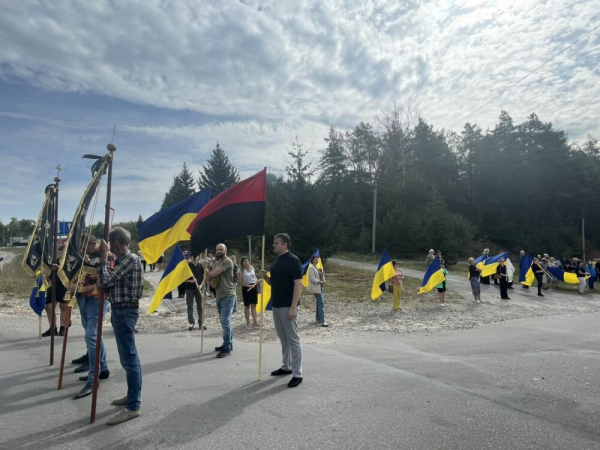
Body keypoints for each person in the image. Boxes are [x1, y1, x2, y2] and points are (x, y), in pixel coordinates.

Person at [98, 227, 143, 425]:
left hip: (124, 311)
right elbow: (108, 284)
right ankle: (132, 396)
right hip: (121, 309)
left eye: (109, 244)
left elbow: (104, 281)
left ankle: (133, 406)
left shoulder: (129, 259)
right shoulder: (124, 260)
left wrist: (103, 258)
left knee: (129, 359)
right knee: (129, 359)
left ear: (115, 243)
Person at [259, 233, 303, 388]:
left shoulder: (293, 260)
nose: (273, 245)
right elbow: (275, 283)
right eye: (273, 242)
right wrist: (265, 278)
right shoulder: (276, 262)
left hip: (287, 305)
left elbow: (298, 284)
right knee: (283, 338)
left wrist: (293, 307)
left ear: (285, 244)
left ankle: (297, 373)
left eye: (276, 243)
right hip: (276, 305)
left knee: (293, 339)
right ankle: (286, 366)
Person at [73, 235, 111, 400]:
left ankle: (92, 377)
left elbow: (104, 281)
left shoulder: (107, 257)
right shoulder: (82, 258)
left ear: (94, 244)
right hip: (83, 300)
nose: (83, 250)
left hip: (96, 300)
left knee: (91, 335)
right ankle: (102, 368)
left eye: (85, 247)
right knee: (95, 336)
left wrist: (79, 287)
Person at [203, 243, 236, 358]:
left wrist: (207, 269)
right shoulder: (217, 262)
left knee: (225, 321)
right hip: (219, 295)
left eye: (221, 249)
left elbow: (213, 274)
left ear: (226, 251)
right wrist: (207, 270)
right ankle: (227, 343)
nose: (219, 251)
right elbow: (208, 278)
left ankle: (227, 346)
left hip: (227, 295)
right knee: (225, 322)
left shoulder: (226, 261)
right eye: (217, 249)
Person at [42, 245, 69, 337]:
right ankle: (52, 328)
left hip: (64, 287)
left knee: (64, 308)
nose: (61, 254)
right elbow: (47, 275)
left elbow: (69, 275)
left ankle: (63, 327)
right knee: (48, 307)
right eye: (59, 252)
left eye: (63, 252)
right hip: (53, 286)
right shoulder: (54, 262)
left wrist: (58, 268)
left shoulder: (69, 263)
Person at [238, 257, 259, 329]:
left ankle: (255, 322)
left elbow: (254, 277)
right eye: (245, 262)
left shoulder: (252, 268)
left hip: (254, 287)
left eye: (247, 261)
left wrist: (256, 281)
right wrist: (249, 286)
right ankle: (248, 322)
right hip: (246, 288)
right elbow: (240, 282)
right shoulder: (240, 270)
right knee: (247, 305)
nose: (246, 263)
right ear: (242, 263)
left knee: (254, 305)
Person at [185, 254, 205, 331]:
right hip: (189, 289)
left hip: (198, 288)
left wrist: (201, 285)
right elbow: (182, 279)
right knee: (190, 306)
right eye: (194, 256)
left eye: (197, 256)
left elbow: (204, 277)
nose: (195, 258)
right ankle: (191, 322)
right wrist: (191, 281)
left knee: (200, 305)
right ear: (191, 257)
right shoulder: (187, 266)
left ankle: (201, 322)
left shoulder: (200, 266)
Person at [308, 255, 329, 324]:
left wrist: (322, 274)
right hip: (316, 288)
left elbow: (319, 275)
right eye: (316, 259)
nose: (317, 261)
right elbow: (312, 278)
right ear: (312, 260)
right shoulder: (311, 268)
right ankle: (322, 321)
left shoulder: (315, 267)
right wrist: (320, 281)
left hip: (320, 287)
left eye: (317, 259)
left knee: (319, 303)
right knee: (321, 303)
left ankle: (318, 319)